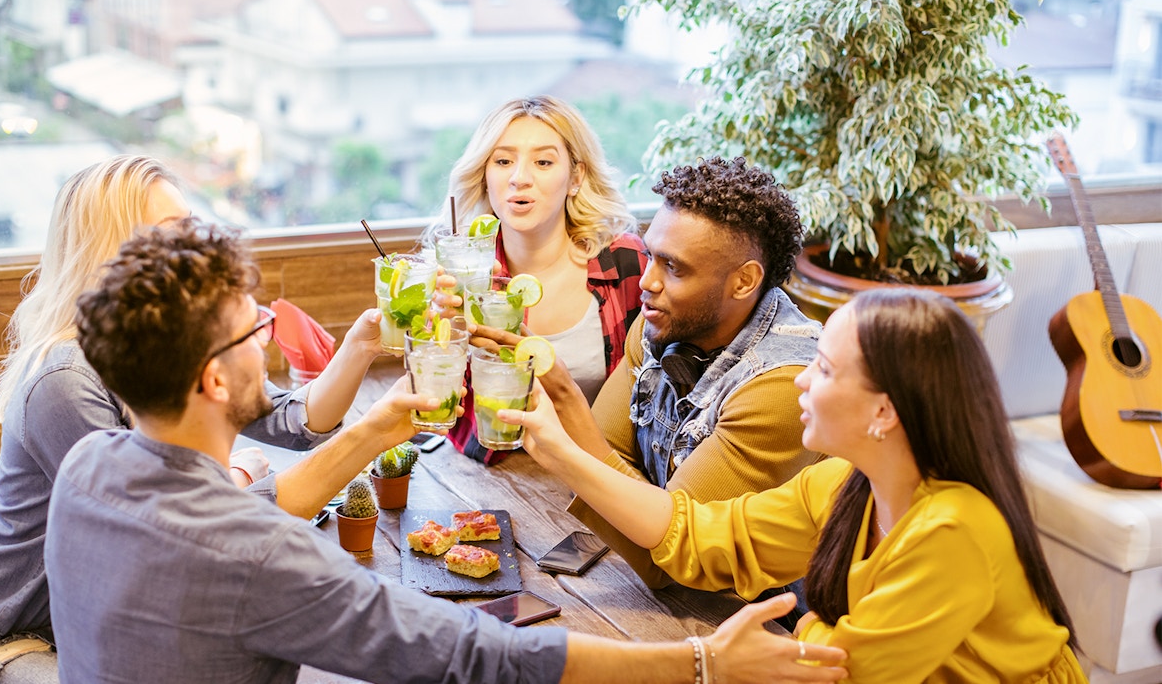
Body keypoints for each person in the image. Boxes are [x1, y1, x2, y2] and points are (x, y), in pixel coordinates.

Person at [44, 218, 848, 684]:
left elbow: (244, 514)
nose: (271, 340)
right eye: (257, 331)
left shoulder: (93, 466)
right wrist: (704, 659)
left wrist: (378, 427)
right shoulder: (253, 558)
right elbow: (473, 652)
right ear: (216, 381)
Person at [0, 155, 389, 683]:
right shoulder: (63, 381)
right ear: (114, 253)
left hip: (92, 618)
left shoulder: (173, 343)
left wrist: (360, 346)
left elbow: (292, 422)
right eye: (173, 236)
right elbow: (162, 539)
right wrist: (243, 477)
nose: (193, 252)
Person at [503, 287, 1087, 682]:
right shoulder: (842, 485)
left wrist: (807, 624)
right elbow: (702, 536)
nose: (802, 379)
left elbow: (841, 670)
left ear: (884, 412)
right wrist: (562, 456)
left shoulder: (953, 529)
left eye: (826, 369)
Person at [475, 156, 825, 591]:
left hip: (769, 619)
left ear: (743, 281)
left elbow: (672, 560)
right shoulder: (663, 322)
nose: (646, 282)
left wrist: (564, 397)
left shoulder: (782, 387)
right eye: (651, 257)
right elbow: (608, 459)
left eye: (673, 268)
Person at [430, 95, 647, 463]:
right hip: (496, 473)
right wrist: (442, 342)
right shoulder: (459, 274)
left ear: (575, 178)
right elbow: (435, 406)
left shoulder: (627, 263)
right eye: (503, 161)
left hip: (604, 472)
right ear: (484, 177)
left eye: (543, 162)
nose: (519, 179)